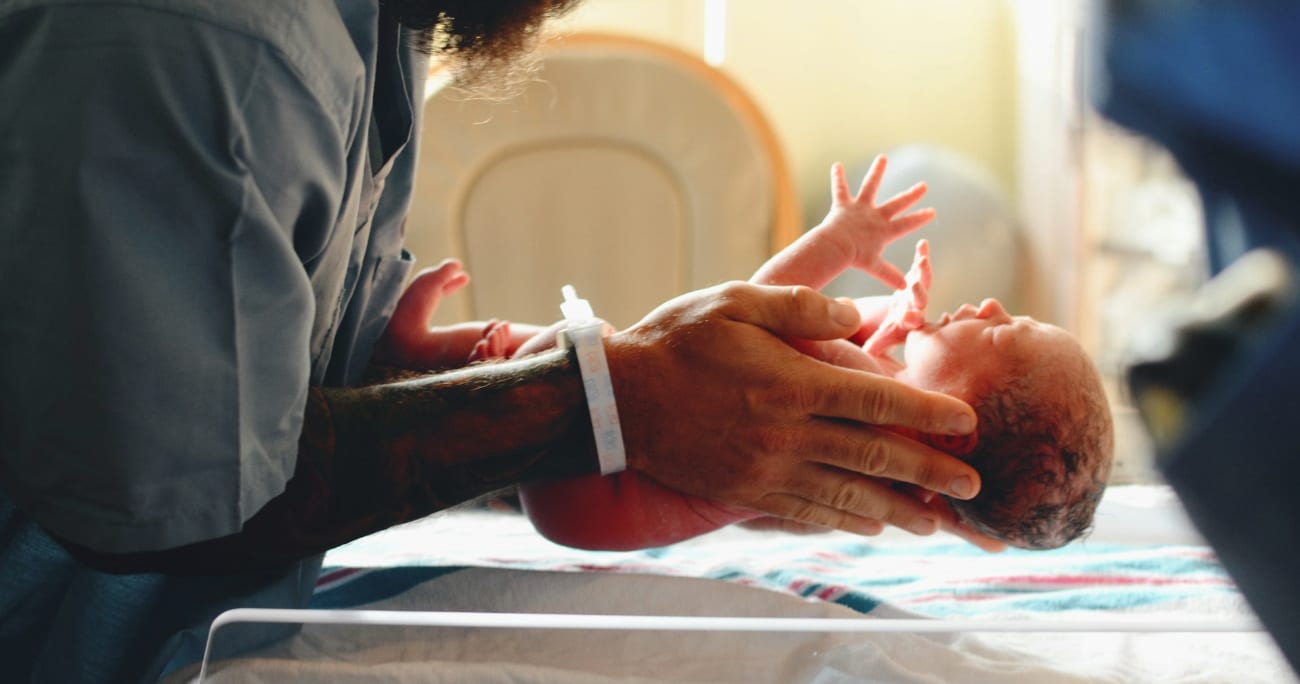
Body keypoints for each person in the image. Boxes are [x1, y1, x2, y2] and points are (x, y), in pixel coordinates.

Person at [0, 2, 984, 682]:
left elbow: (202, 364)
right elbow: (177, 495)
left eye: (1006, 340)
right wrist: (607, 396)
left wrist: (381, 365)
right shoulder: (203, 44)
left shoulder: (369, 27)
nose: (986, 314)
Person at [515, 157, 1114, 552]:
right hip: (593, 504)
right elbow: (991, 533)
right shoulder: (902, 469)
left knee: (556, 346)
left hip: (595, 483)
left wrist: (839, 242)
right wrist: (891, 327)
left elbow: (755, 317)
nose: (990, 306)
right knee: (543, 349)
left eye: (1001, 334)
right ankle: (442, 350)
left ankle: (452, 354)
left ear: (955, 429)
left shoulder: (867, 404)